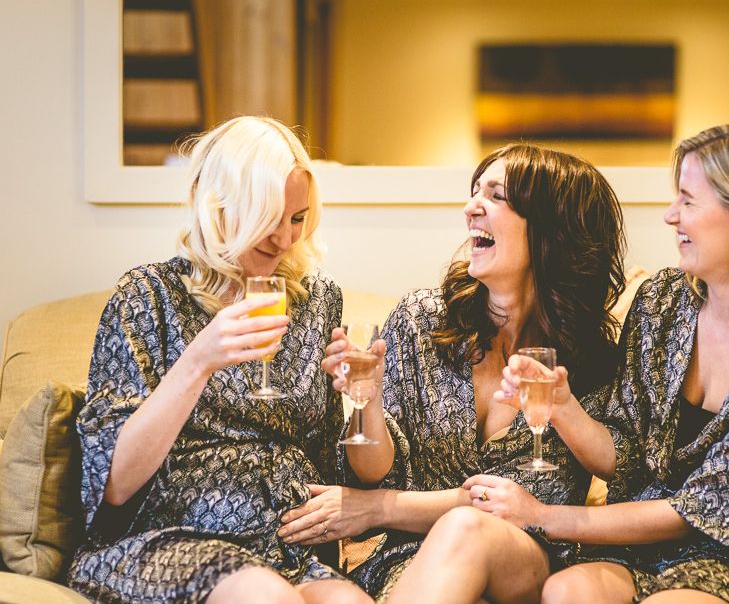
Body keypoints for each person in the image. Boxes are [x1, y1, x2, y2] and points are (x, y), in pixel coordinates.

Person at [389, 125, 729, 604]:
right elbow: (624, 454)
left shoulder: (585, 349)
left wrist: (542, 515)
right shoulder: (663, 302)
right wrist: (564, 406)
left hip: (715, 549)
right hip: (622, 546)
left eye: (689, 202)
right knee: (569, 591)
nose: (671, 216)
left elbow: (701, 509)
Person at [277, 143, 626, 601]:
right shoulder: (423, 319)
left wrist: (376, 509)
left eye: (496, 196)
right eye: (473, 190)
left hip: (526, 558)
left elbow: (514, 502)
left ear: (550, 228)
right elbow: (375, 472)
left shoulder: (588, 356)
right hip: (410, 557)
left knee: (467, 526)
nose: (470, 208)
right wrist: (368, 404)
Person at [66, 116, 372, 604]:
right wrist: (199, 360)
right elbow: (115, 484)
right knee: (266, 597)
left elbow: (328, 454)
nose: (286, 240)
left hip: (282, 548)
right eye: (269, 218)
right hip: (169, 540)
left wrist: (360, 397)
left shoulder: (317, 300)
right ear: (220, 207)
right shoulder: (147, 297)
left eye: (297, 218)